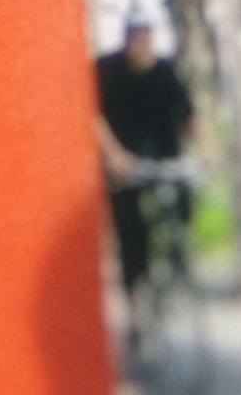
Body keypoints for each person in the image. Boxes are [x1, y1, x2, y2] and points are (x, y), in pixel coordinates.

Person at [94, 16, 197, 300]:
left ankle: (176, 266)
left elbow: (190, 115)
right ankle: (135, 292)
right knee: (130, 223)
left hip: (162, 159)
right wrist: (114, 154)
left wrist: (206, 147)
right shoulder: (109, 72)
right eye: (135, 37)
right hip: (124, 163)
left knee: (181, 201)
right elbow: (93, 114)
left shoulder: (165, 72)